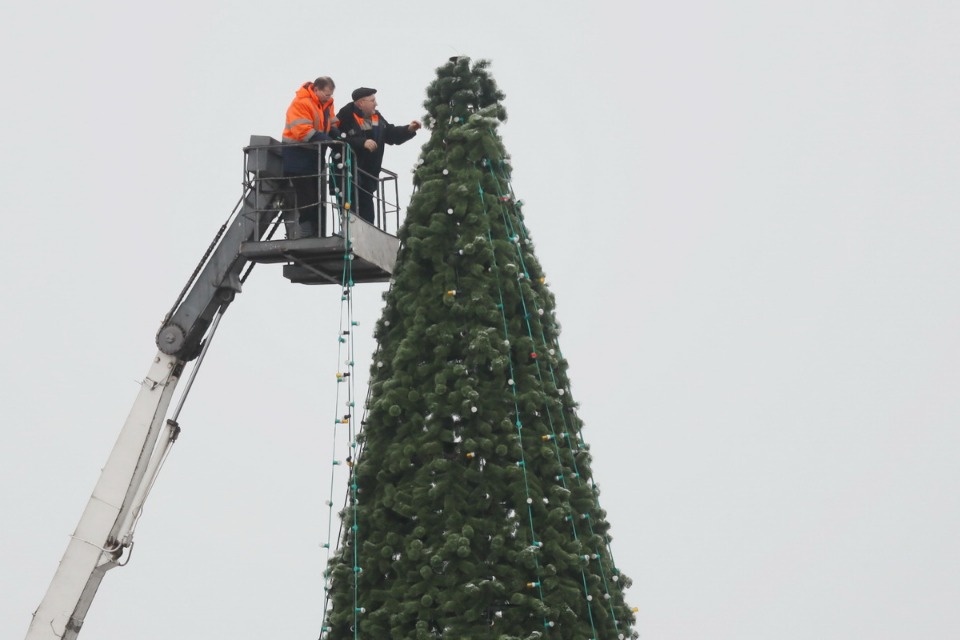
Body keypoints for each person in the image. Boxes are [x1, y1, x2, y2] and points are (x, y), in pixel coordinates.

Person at [335, 87, 421, 225]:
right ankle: (348, 236)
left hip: (368, 177)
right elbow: (336, 139)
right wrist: (362, 142)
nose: (376, 104)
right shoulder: (344, 116)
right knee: (351, 215)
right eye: (372, 100)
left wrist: (408, 129)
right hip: (348, 177)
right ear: (361, 103)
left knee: (368, 216)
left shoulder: (376, 117)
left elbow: (390, 134)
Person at [281, 76, 339, 238]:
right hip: (297, 154)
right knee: (306, 194)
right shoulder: (301, 103)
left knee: (315, 195)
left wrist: (337, 135)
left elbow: (330, 123)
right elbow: (302, 130)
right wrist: (328, 140)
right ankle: (306, 231)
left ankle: (314, 230)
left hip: (314, 154)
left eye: (331, 94)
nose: (329, 97)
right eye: (327, 94)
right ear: (316, 90)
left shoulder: (326, 104)